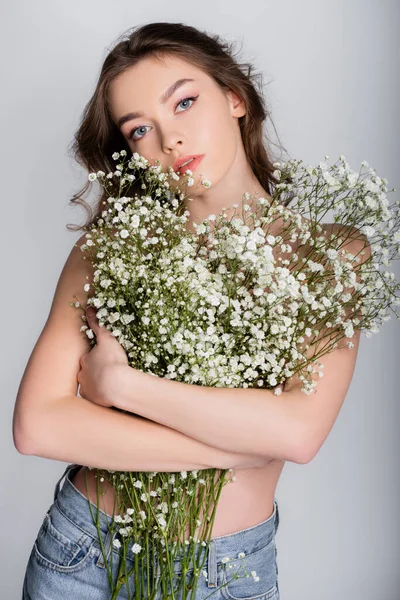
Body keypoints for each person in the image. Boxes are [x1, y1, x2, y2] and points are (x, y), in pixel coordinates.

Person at [14, 21, 365, 600]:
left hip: (225, 573)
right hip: (84, 554)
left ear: (235, 98)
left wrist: (123, 387)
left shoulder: (331, 254)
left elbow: (300, 432)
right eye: (141, 130)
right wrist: (247, 444)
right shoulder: (112, 246)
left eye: (184, 101)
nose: (170, 140)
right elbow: (38, 425)